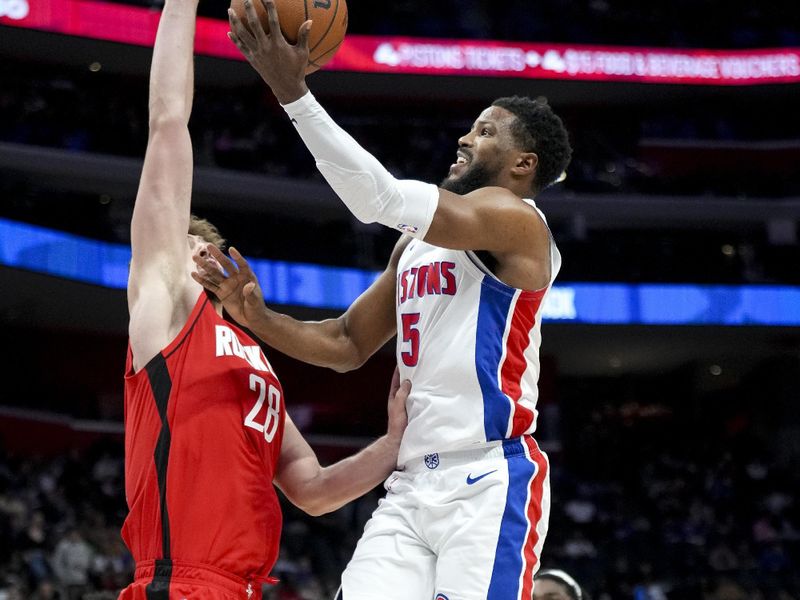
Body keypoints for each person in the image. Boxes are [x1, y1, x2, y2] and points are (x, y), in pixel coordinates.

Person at [196, 1, 572, 597]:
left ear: (523, 164)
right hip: (410, 484)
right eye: (472, 126)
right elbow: (346, 344)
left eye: (485, 131)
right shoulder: (415, 248)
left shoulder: (518, 221)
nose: (465, 137)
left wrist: (294, 95)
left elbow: (379, 198)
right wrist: (257, 316)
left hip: (489, 478)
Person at [121, 0, 409, 598]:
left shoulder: (257, 363)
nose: (195, 254)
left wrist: (391, 445)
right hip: (182, 583)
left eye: (205, 246)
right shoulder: (165, 314)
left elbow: (313, 486)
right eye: (183, 246)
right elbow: (169, 121)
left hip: (249, 586)